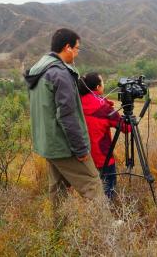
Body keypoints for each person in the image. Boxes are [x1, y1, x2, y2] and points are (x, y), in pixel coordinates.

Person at [24, 28, 102, 224]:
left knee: (57, 189)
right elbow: (67, 116)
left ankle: (58, 235)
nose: (77, 53)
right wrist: (80, 148)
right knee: (92, 184)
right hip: (64, 145)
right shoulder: (60, 74)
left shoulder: (39, 70)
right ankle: (106, 233)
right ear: (67, 47)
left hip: (48, 144)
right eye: (77, 48)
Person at [78, 72, 130, 200]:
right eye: (102, 82)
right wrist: (131, 120)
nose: (104, 84)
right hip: (103, 156)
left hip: (83, 154)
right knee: (108, 187)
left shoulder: (77, 101)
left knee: (91, 188)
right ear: (97, 87)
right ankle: (107, 214)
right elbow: (126, 128)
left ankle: (94, 213)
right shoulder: (103, 108)